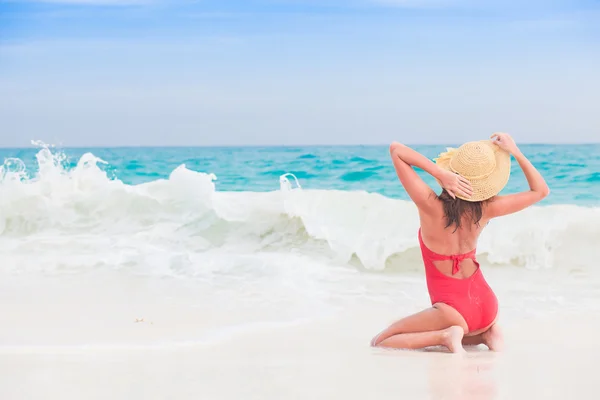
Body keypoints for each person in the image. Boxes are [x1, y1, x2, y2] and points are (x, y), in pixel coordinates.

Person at [370, 132, 549, 353]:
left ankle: (446, 336)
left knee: (381, 340)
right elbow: (541, 190)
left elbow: (397, 150)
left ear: (452, 174)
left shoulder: (430, 206)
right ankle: (487, 333)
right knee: (454, 327)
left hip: (453, 311)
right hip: (487, 306)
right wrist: (515, 151)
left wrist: (439, 173)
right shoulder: (486, 210)